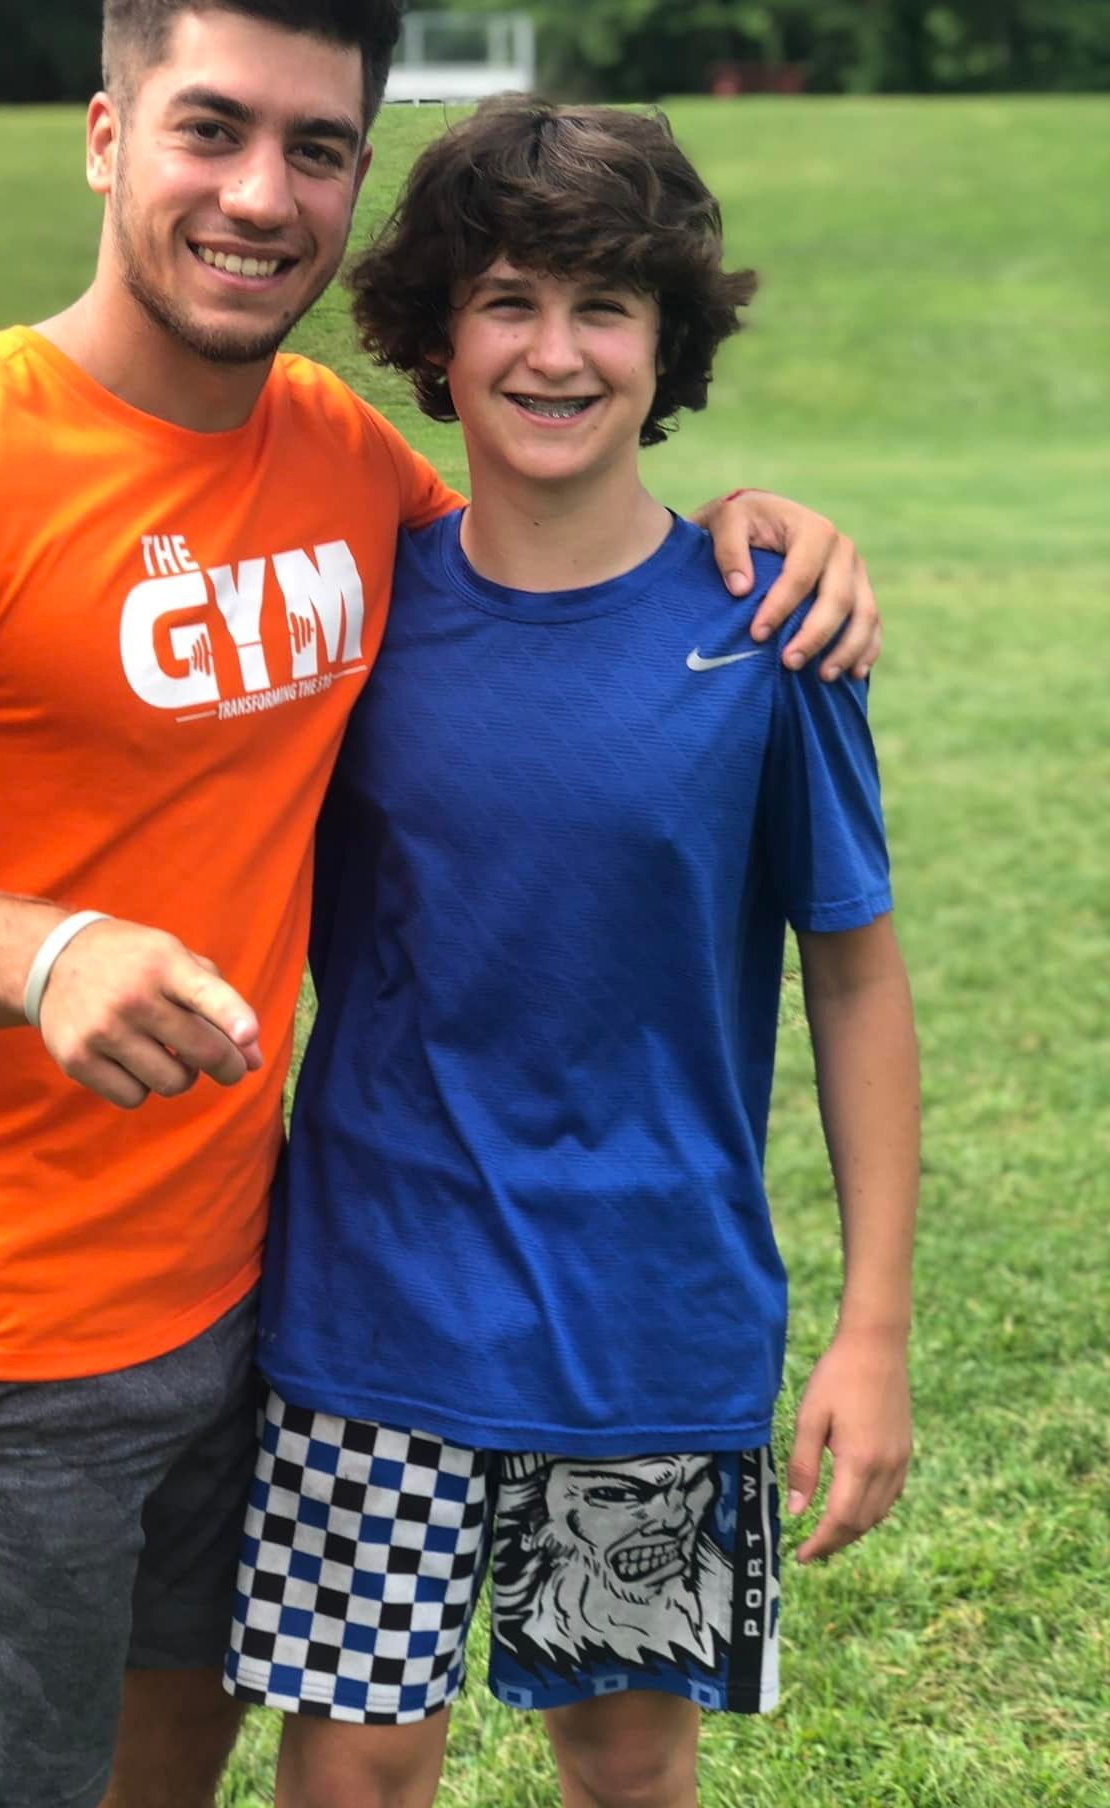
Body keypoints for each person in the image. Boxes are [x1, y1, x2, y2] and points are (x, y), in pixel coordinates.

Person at [0, 0, 883, 1808]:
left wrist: (761, 525)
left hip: (263, 1292)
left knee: (180, 1768)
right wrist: (43, 953)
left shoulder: (341, 461)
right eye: (210, 127)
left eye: (314, 147)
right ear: (107, 135)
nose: (261, 192)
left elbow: (555, 559)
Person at [224, 99, 920, 1808]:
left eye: (605, 307)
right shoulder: (357, 614)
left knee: (626, 1763)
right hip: (371, 1309)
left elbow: (856, 979)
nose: (555, 353)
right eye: (511, 302)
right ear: (437, 335)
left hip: (653, 1321)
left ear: (666, 343)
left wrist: (874, 1328)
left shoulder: (770, 639)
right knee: (357, 1769)